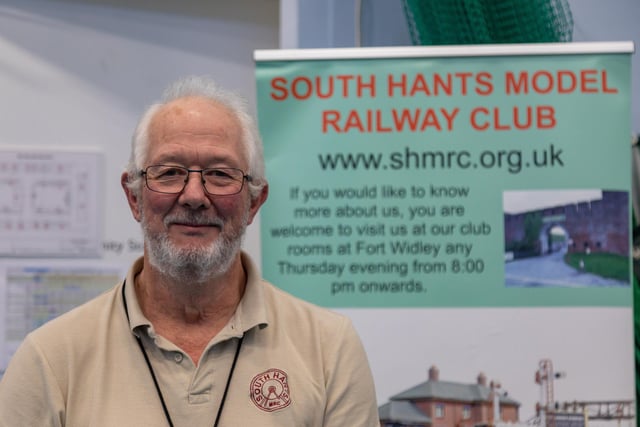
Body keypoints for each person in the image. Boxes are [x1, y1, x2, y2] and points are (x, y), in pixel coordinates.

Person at [0, 76, 379, 426]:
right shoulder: (51, 359)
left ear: (255, 202)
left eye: (220, 173)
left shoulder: (329, 349)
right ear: (134, 197)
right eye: (168, 172)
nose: (195, 196)